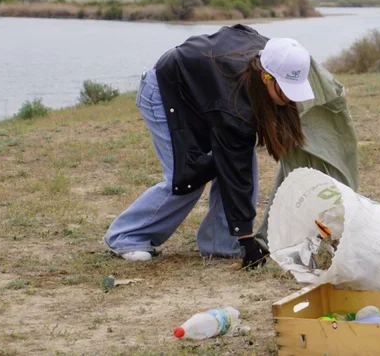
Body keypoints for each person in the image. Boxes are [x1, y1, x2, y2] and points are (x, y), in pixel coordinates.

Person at [104, 24, 315, 270]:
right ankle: (126, 237)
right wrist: (247, 240)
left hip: (202, 92)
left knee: (236, 157)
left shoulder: (275, 54)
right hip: (165, 91)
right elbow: (235, 170)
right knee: (188, 177)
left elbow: (238, 30)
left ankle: (221, 244)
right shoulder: (234, 105)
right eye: (286, 90)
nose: (290, 98)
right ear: (265, 76)